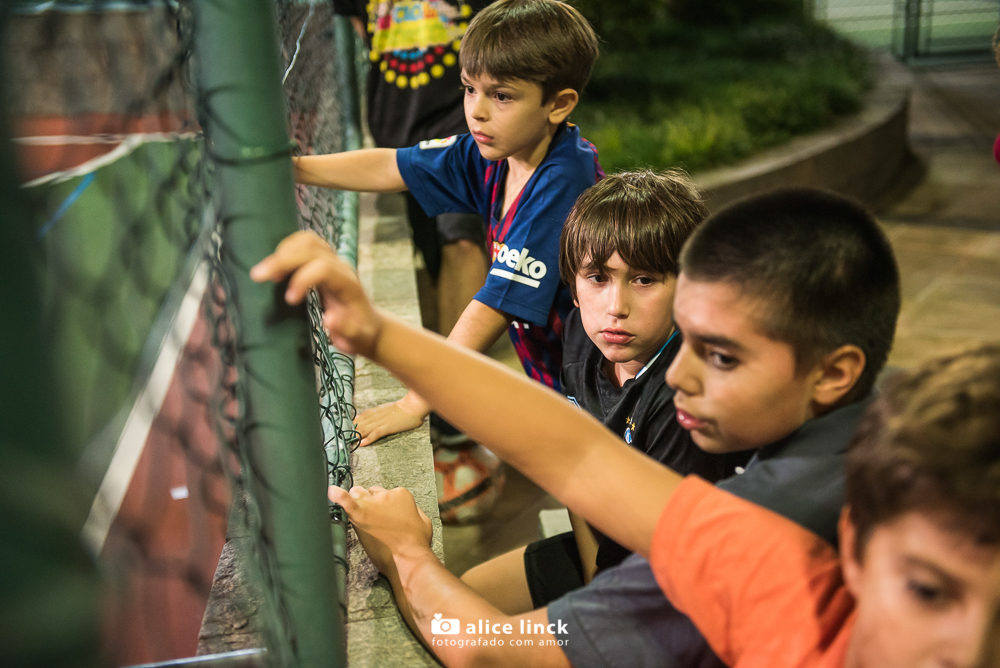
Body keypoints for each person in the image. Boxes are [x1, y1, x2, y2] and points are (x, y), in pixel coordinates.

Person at [251, 188, 929, 667]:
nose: (678, 374)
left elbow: (489, 649)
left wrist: (408, 553)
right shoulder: (877, 422)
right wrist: (376, 334)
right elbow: (581, 457)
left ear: (834, 372)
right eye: (688, 341)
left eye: (721, 356)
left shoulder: (766, 530)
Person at [294, 0, 602, 449]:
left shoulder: (563, 180)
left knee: (599, 470)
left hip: (608, 379)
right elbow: (391, 166)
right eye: (469, 89)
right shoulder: (494, 154)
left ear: (558, 104)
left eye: (501, 96)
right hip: (563, 371)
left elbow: (492, 305)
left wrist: (418, 400)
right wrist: (296, 168)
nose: (477, 111)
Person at [459, 170, 751, 615]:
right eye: (597, 277)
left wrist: (592, 607)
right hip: (611, 553)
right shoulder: (582, 336)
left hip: (683, 590)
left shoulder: (687, 396)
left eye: (644, 279)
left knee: (476, 636)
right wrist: (593, 579)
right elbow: (577, 470)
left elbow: (672, 566)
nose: (616, 308)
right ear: (573, 288)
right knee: (466, 598)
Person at [332, 0, 491, 338]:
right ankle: (452, 346)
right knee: (430, 248)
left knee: (461, 237)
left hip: (460, 116)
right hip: (397, 122)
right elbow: (366, 33)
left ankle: (457, 363)